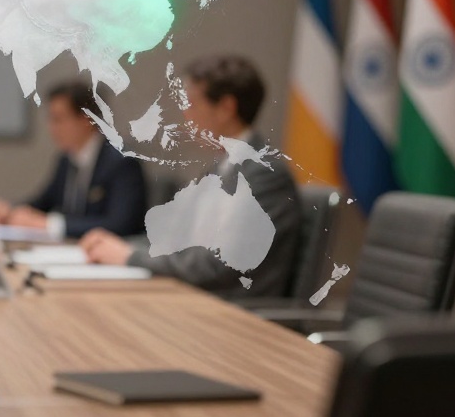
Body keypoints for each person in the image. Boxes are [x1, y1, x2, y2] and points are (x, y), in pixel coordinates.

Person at [80, 55, 301, 298]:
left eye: (192, 103)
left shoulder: (265, 175)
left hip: (235, 313)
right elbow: (175, 238)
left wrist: (129, 256)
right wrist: (120, 245)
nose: (186, 115)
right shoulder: (219, 167)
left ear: (226, 108)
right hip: (198, 300)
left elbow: (219, 264)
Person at [0, 80, 147, 238]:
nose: (52, 128)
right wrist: (8, 212)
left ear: (86, 120)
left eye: (58, 119)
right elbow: (42, 203)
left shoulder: (122, 162)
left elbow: (120, 225)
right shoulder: (67, 159)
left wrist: (50, 225)